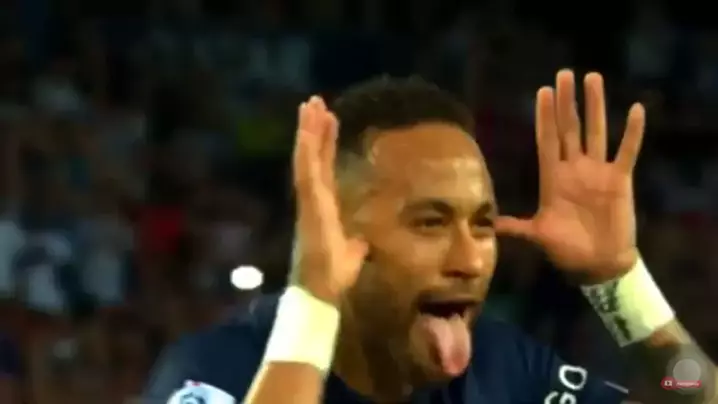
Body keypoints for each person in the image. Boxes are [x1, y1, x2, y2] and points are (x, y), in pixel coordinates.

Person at [143, 71, 717, 404]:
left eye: (483, 223)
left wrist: (621, 285)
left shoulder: (503, 367)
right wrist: (314, 301)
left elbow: (690, 392)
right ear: (334, 231)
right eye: (430, 223)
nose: (470, 260)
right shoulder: (217, 369)